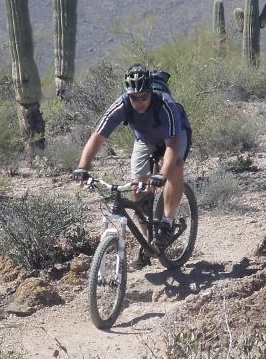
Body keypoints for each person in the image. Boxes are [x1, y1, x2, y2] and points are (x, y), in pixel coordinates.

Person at [71, 65, 192, 248]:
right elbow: (97, 137)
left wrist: (162, 174)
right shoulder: (122, 104)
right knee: (138, 188)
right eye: (134, 97)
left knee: (174, 165)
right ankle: (147, 240)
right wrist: (82, 167)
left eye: (144, 96)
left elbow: (172, 146)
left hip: (175, 136)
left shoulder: (166, 105)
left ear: (151, 91)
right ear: (128, 94)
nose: (139, 102)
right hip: (144, 139)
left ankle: (167, 223)